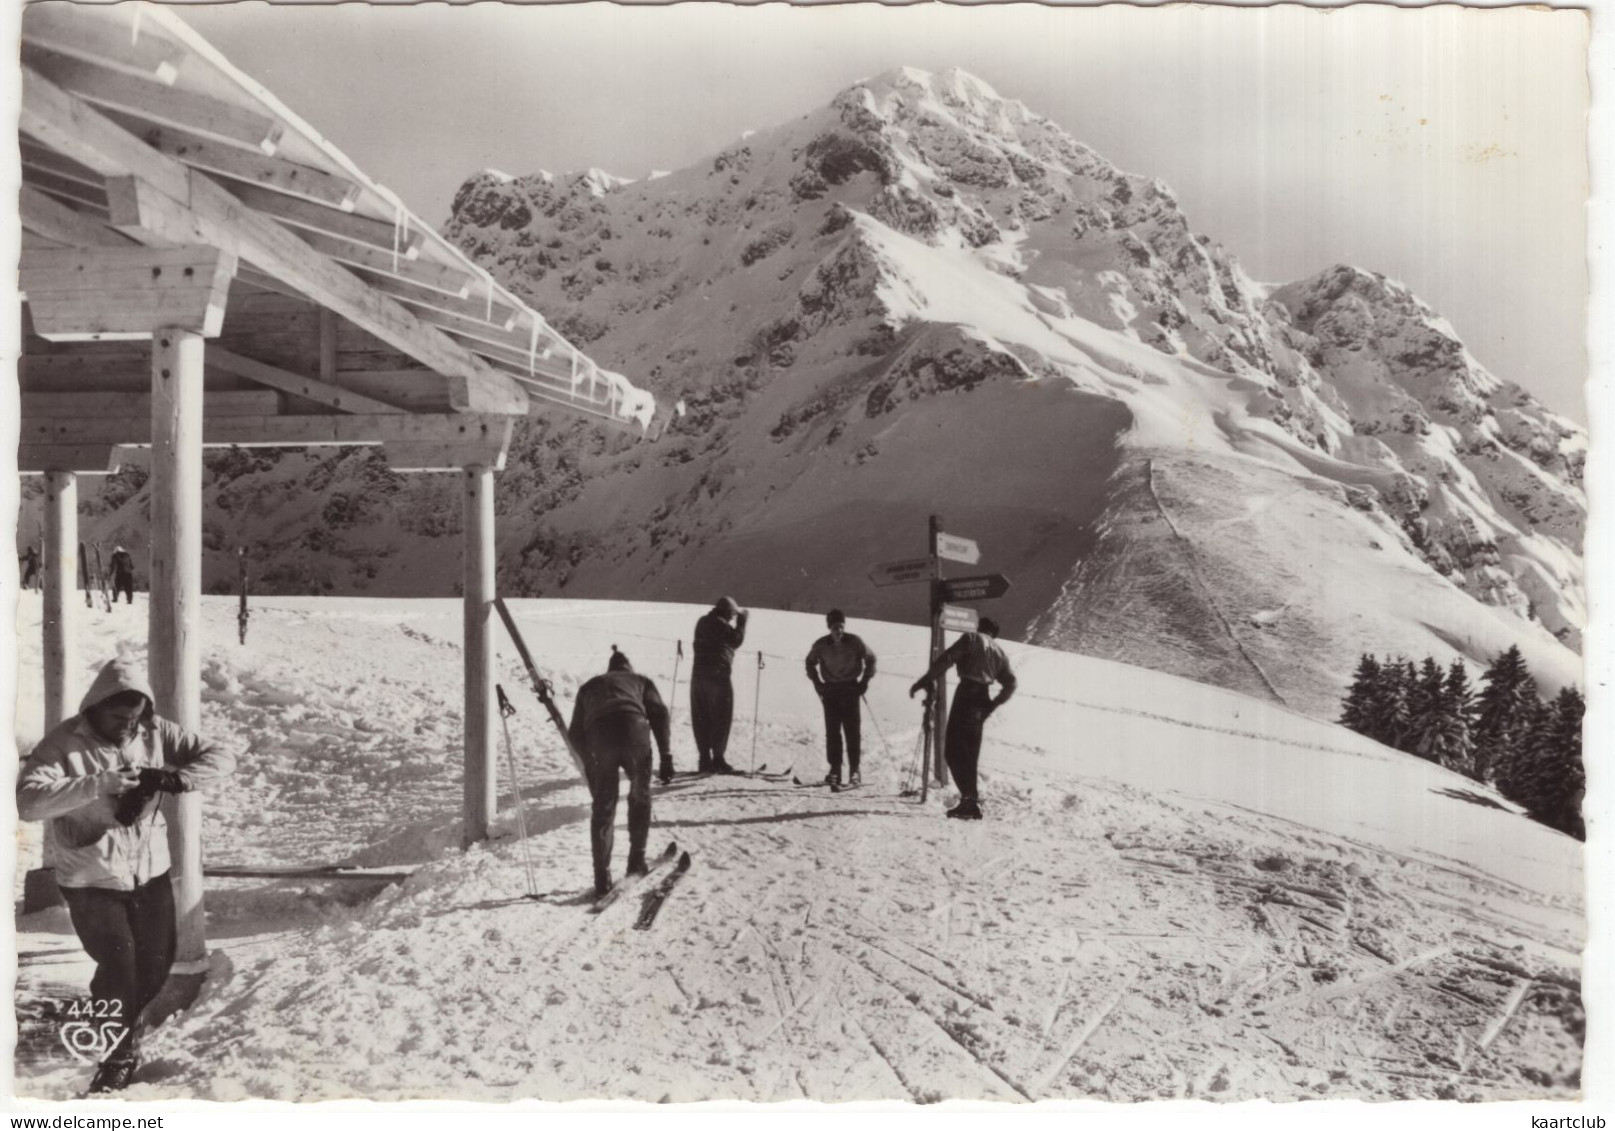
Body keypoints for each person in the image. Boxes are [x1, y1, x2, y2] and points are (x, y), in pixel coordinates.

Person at [16, 658, 235, 1092]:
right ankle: (117, 1055)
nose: (126, 727)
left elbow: (221, 755)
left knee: (155, 964)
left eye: (134, 719)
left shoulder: (154, 730)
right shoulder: (63, 743)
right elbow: (28, 802)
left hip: (149, 871)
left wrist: (175, 779)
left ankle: (121, 1027)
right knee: (119, 965)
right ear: (95, 707)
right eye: (118, 718)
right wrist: (98, 783)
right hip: (91, 877)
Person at [568, 647, 673, 898]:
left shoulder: (590, 686)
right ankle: (636, 861)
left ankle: (602, 878)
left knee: (604, 806)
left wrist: (591, 767)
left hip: (599, 737)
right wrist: (666, 755)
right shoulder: (640, 681)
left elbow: (574, 734)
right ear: (628, 668)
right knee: (639, 797)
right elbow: (660, 714)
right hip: (634, 731)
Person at [909, 617, 1017, 820]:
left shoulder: (971, 638)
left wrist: (925, 680)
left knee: (952, 750)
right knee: (970, 753)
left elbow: (946, 659)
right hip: (982, 697)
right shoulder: (999, 652)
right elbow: (1010, 684)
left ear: (979, 628)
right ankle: (970, 803)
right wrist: (992, 705)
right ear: (994, 634)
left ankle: (969, 800)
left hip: (966, 694)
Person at [804, 609, 877, 787]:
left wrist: (864, 682)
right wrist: (817, 683)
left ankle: (854, 770)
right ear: (830, 627)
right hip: (830, 691)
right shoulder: (821, 644)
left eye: (842, 627)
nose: (839, 631)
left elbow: (872, 659)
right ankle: (835, 769)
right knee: (833, 732)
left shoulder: (855, 641)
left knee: (852, 732)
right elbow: (809, 662)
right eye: (836, 627)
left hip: (850, 689)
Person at [690, 596, 748, 774]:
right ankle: (718, 759)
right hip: (718, 677)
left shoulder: (702, 622)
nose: (732, 617)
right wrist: (742, 623)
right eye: (732, 614)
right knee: (721, 717)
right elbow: (736, 640)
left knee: (701, 718)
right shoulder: (721, 625)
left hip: (698, 678)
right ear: (726, 612)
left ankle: (704, 759)